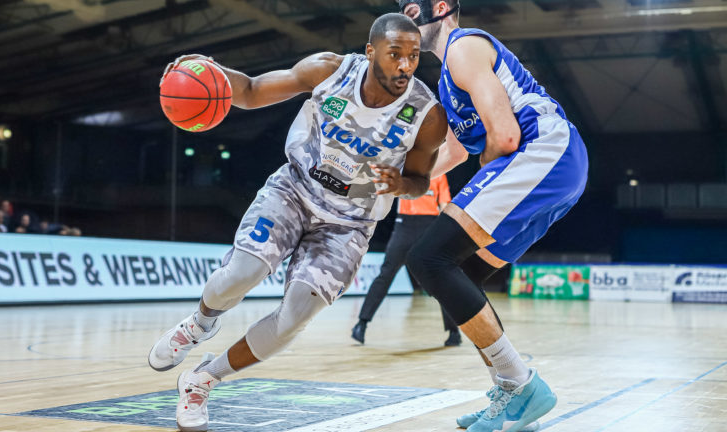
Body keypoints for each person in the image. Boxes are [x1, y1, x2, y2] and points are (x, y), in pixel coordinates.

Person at [148, 13, 446, 432]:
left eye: (413, 56)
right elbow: (250, 92)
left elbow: (420, 181)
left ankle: (202, 379)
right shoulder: (329, 70)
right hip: (294, 190)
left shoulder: (426, 115)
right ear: (370, 51)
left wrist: (402, 183)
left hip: (349, 224)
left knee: (294, 319)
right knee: (242, 273)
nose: (405, 65)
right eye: (395, 54)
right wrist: (208, 70)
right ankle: (200, 323)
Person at [398, 1, 589, 432]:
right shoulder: (448, 77)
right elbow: (455, 151)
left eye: (413, 8)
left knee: (429, 258)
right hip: (557, 163)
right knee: (457, 274)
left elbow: (504, 136)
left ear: (440, 7)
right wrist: (401, 178)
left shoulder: (463, 47)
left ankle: (521, 385)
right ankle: (513, 395)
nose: (406, 20)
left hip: (544, 150)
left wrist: (480, 183)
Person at [351, 174, 461, 346]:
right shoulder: (409, 169)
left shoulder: (440, 175)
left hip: (430, 225)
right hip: (405, 225)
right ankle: (361, 324)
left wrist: (445, 233)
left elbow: (444, 204)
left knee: (440, 279)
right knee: (386, 274)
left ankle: (454, 331)